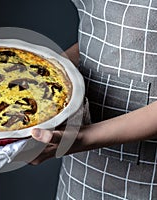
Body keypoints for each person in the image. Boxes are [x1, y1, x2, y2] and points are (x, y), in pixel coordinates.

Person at [30, 0, 157, 199]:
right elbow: (105, 33)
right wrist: (46, 72)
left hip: (146, 174)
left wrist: (84, 138)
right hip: (81, 164)